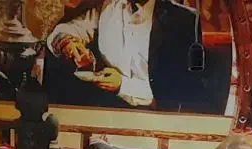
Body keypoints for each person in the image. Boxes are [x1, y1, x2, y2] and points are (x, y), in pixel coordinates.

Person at [43, 0, 205, 110]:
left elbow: (181, 92)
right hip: (105, 112)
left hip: (158, 120)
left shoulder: (183, 21)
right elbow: (67, 30)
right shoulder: (110, 6)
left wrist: (123, 85)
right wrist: (68, 43)